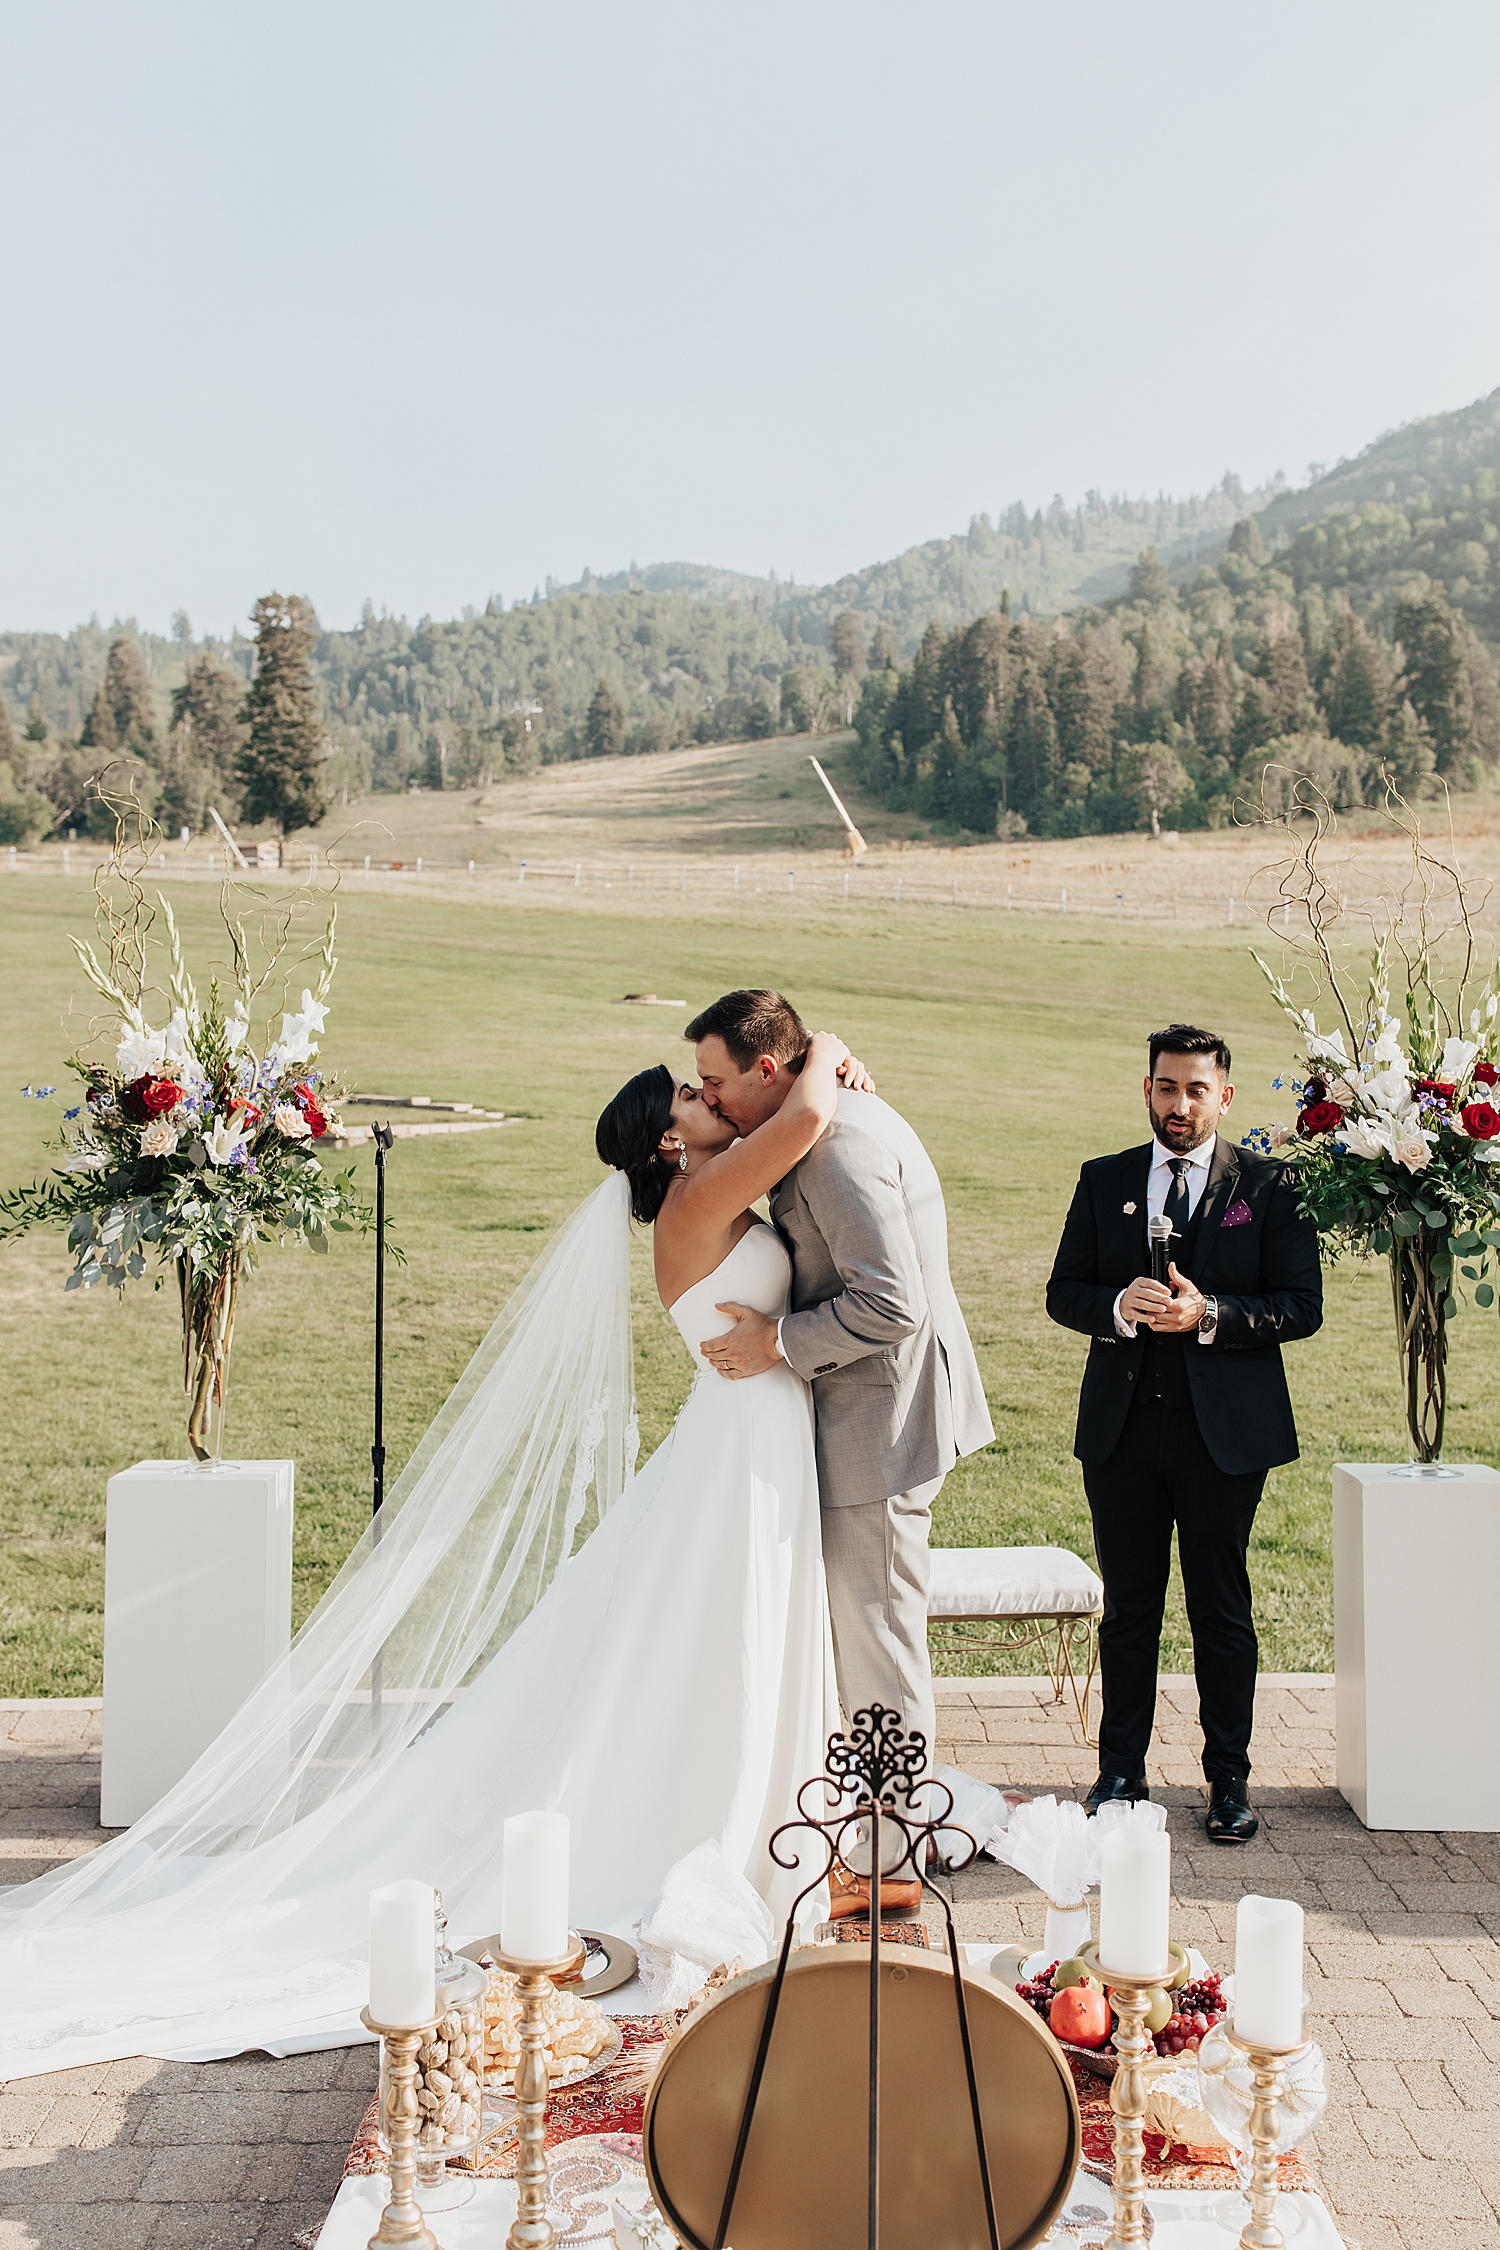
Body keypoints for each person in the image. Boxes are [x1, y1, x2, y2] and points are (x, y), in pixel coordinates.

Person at [0, 1031, 865, 2079]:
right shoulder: (696, 1199)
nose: (703, 1095)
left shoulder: (706, 1185)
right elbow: (808, 1113)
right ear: (665, 1140)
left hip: (749, 1446)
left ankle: (766, 1820)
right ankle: (728, 1831)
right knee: (724, 1634)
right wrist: (826, 1047)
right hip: (737, 1455)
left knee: (716, 1641)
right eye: (687, 1093)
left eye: (703, 1081)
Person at [687, 989, 994, 1787]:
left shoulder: (834, 1148)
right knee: (869, 1632)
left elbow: (892, 1301)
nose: (708, 1097)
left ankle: (895, 1844)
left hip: (882, 1426)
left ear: (765, 1069)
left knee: (879, 1637)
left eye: (714, 1082)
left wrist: (777, 1343)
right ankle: (880, 1819)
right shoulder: (817, 1117)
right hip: (877, 1414)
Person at [1046, 1023, 1322, 1844]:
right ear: (1147, 1090)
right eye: (1167, 1087)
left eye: (1196, 1089)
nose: (1180, 1103)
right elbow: (1066, 1290)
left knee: (1220, 1608)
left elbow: (1300, 1306)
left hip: (1224, 1439)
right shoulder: (1106, 1181)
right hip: (1123, 1432)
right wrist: (1115, 1309)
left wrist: (1214, 1317)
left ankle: (1229, 1781)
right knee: (1130, 1609)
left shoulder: (1270, 1186)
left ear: (1224, 1096)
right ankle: (1121, 1773)